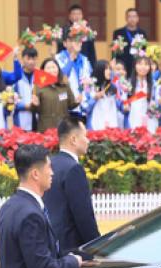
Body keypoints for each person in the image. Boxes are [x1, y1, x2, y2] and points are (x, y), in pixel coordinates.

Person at [43, 116, 99, 253]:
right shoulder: (74, 169)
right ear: (73, 139)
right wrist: (98, 248)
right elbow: (84, 217)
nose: (88, 141)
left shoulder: (49, 163)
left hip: (49, 245)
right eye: (85, 136)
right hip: (71, 250)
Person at [30, 58, 79, 132]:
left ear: (58, 69)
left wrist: (77, 102)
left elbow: (71, 105)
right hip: (45, 128)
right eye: (48, 68)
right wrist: (35, 105)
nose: (51, 70)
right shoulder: (38, 86)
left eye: (54, 67)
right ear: (43, 70)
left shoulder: (64, 85)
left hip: (63, 128)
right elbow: (35, 110)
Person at [55, 29, 92, 114]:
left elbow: (88, 82)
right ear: (64, 43)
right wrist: (71, 57)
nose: (76, 42)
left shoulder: (85, 60)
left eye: (78, 40)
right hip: (65, 105)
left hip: (82, 105)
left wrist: (84, 92)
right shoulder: (58, 58)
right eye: (72, 40)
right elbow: (61, 78)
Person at [56, 4, 97, 69]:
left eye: (79, 14)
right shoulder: (64, 30)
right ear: (69, 16)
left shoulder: (87, 31)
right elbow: (60, 48)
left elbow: (92, 51)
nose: (77, 16)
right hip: (68, 61)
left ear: (82, 16)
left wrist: (93, 66)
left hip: (84, 62)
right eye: (74, 14)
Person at [112, 8, 148, 76]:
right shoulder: (118, 33)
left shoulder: (142, 33)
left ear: (138, 18)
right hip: (122, 65)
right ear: (126, 18)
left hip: (137, 66)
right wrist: (114, 63)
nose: (132, 19)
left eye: (134, 16)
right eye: (129, 16)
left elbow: (144, 50)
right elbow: (114, 51)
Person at [122, 56, 155, 130]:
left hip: (148, 118)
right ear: (135, 66)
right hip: (133, 116)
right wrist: (126, 104)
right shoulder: (128, 83)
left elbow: (154, 100)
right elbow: (124, 101)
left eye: (146, 64)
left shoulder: (153, 84)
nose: (143, 67)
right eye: (140, 64)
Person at [85, 60, 119, 130]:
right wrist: (94, 98)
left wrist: (124, 106)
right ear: (99, 70)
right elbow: (85, 109)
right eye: (106, 69)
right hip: (95, 127)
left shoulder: (112, 86)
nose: (109, 71)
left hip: (111, 126)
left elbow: (118, 103)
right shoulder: (89, 86)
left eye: (110, 69)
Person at [14, 47, 38, 131]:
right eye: (28, 58)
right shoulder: (16, 77)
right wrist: (25, 106)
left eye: (34, 59)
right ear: (22, 59)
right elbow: (11, 100)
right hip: (21, 119)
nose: (31, 62)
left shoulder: (39, 76)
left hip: (37, 118)